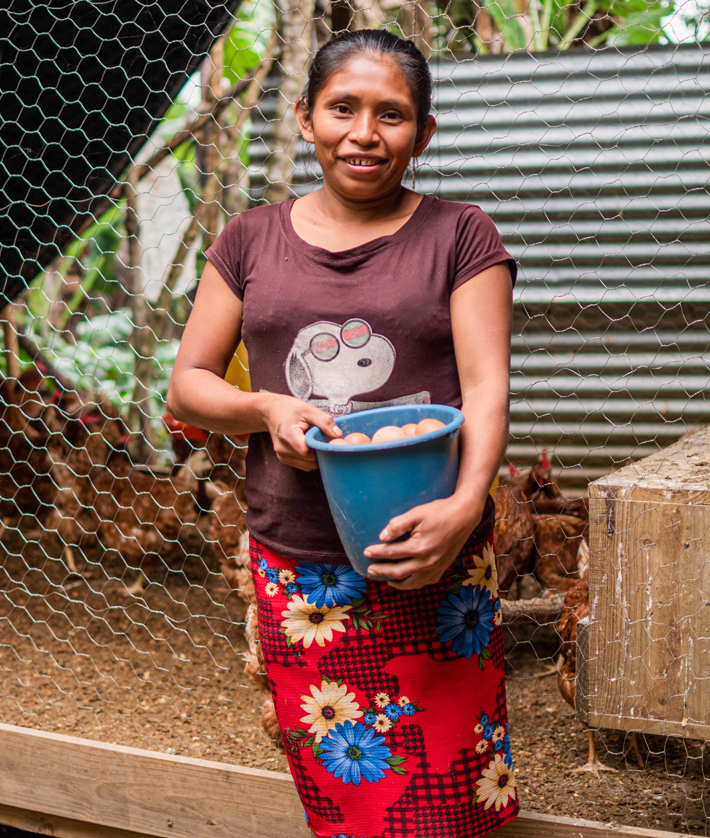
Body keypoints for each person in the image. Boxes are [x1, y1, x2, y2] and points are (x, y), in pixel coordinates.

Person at [168, 28, 518, 838]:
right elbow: (188, 383)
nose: (365, 133)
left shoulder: (462, 235)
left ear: (423, 133)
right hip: (302, 564)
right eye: (343, 109)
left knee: (451, 795)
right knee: (348, 798)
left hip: (434, 550)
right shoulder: (248, 240)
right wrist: (266, 409)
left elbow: (487, 384)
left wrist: (466, 505)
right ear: (304, 117)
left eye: (391, 114)